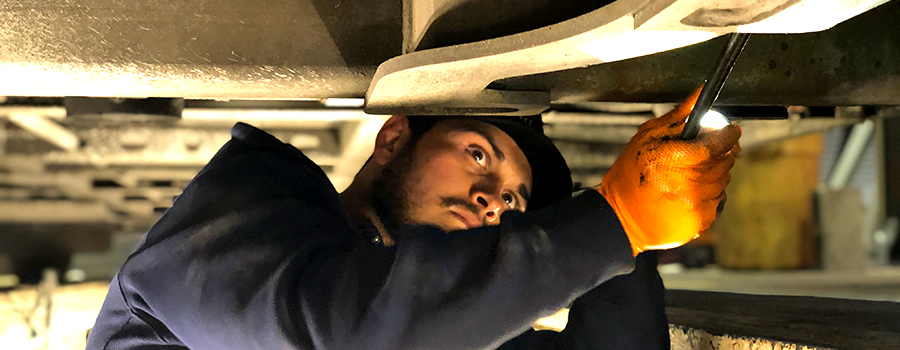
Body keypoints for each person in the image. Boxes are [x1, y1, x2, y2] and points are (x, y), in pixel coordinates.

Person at [86, 90, 740, 349]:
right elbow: (346, 329)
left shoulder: (426, 325)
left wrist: (636, 236)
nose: (493, 199)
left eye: (513, 201)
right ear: (394, 139)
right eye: (477, 154)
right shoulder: (240, 211)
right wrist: (615, 221)